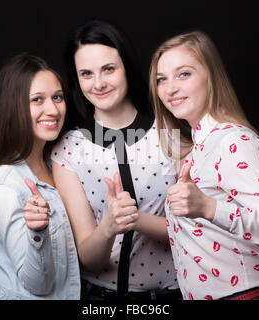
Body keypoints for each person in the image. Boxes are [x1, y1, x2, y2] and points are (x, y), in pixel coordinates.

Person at [149, 30, 259, 300]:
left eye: (184, 74)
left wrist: (209, 207)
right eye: (162, 79)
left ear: (211, 76)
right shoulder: (199, 147)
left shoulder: (233, 141)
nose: (170, 88)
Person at [48, 20, 181, 300]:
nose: (99, 83)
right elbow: (89, 259)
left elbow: (198, 232)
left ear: (127, 68)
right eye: (86, 73)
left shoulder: (172, 133)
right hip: (103, 298)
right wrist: (109, 224)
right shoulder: (68, 150)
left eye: (108, 69)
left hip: (178, 293)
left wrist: (136, 219)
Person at [0, 53, 80, 299]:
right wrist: (37, 233)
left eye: (57, 97)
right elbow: (37, 284)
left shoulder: (56, 165)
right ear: (12, 107)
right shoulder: (5, 184)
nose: (52, 109)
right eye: (37, 100)